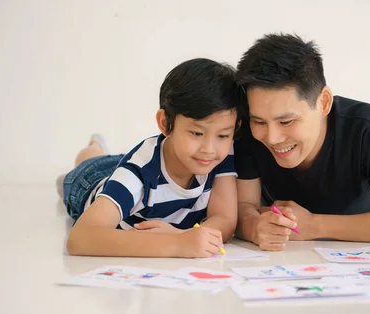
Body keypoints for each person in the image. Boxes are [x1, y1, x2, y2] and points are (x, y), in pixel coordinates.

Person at [233, 33, 370, 251]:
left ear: (324, 103)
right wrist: (255, 229)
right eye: (259, 121)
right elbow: (244, 207)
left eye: (286, 121)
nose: (271, 138)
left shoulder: (366, 127)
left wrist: (315, 226)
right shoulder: (250, 131)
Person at [59, 58, 244, 258]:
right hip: (90, 182)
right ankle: (93, 149)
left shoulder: (220, 152)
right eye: (196, 133)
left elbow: (224, 218)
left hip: (145, 163)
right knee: (89, 163)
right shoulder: (137, 173)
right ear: (165, 123)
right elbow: (80, 239)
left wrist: (186, 235)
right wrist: (176, 244)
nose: (209, 149)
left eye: (223, 135)